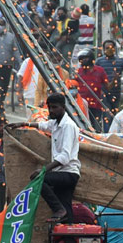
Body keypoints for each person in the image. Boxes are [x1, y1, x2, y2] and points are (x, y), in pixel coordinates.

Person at [36, 94, 80, 223]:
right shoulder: (56, 123)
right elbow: (45, 126)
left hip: (68, 173)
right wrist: (25, 123)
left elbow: (65, 157)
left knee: (39, 180)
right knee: (66, 212)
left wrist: (43, 170)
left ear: (63, 107)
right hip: (60, 173)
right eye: (49, 107)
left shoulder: (68, 126)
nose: (51, 111)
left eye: (54, 107)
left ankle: (58, 210)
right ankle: (69, 240)